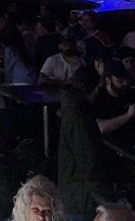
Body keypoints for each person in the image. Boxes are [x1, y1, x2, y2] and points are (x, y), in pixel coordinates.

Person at [57, 66, 113, 221]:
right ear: (94, 89)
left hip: (74, 194)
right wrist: (107, 201)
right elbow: (88, 162)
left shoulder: (72, 109)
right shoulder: (80, 116)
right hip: (83, 199)